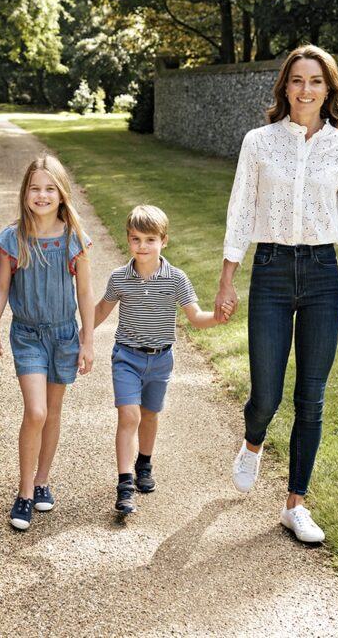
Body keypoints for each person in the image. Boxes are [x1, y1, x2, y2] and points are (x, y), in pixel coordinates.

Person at [215, 44, 338, 543]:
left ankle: (295, 504)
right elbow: (241, 209)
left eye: (316, 81)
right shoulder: (259, 142)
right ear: (285, 86)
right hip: (271, 270)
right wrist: (226, 277)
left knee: (311, 397)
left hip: (324, 274)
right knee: (266, 395)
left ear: (330, 90)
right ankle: (253, 441)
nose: (306, 89)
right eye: (298, 80)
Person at [92, 205, 230, 515]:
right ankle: (125, 484)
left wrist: (217, 318)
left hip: (161, 361)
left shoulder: (176, 279)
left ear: (163, 241)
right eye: (136, 239)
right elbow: (101, 310)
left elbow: (195, 317)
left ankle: (144, 463)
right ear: (128, 240)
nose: (143, 246)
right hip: (126, 357)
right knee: (129, 417)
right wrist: (81, 337)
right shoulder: (119, 278)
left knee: (150, 415)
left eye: (150, 240)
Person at [0, 156, 95, 531]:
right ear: (25, 193)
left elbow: (84, 292)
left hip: (65, 336)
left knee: (52, 411)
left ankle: (42, 481)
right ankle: (23, 493)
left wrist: (87, 340)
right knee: (35, 411)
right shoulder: (13, 238)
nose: (42, 195)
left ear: (62, 194)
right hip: (28, 335)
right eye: (35, 188)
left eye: (50, 188)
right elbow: (1, 286)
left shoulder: (73, 239)